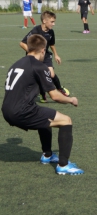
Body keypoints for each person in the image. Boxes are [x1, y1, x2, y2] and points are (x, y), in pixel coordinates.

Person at [2, 34, 84, 175]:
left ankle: (47, 155)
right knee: (66, 121)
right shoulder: (39, 66)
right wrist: (71, 99)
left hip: (6, 110)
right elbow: (55, 96)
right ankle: (63, 165)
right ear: (42, 50)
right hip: (21, 111)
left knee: (47, 117)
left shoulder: (16, 64)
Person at [20, 10, 70, 103]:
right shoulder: (35, 31)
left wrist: (56, 55)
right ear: (44, 21)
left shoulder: (51, 32)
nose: (53, 24)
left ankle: (59, 88)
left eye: (54, 21)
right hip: (35, 57)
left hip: (45, 55)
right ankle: (42, 94)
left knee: (51, 74)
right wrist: (32, 53)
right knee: (39, 75)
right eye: (52, 22)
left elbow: (52, 44)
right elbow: (22, 43)